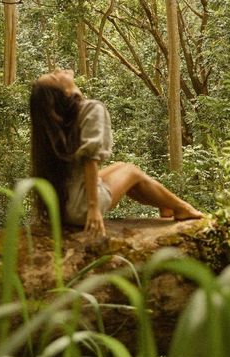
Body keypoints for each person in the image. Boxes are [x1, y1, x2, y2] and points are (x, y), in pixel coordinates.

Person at [30, 68, 203, 236]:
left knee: (122, 166)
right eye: (54, 76)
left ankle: (165, 206)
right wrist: (93, 209)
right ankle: (182, 208)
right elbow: (91, 158)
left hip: (64, 208)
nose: (58, 70)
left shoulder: (62, 122)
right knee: (132, 171)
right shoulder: (90, 109)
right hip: (83, 208)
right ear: (64, 94)